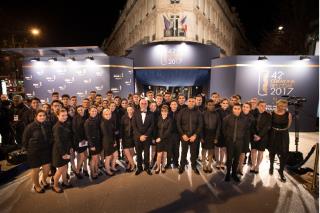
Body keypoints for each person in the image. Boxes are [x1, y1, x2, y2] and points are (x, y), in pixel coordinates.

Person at [22, 109, 52, 193]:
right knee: (36, 170)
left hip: (46, 150)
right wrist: (29, 150)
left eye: (44, 115)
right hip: (34, 151)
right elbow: (25, 140)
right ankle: (37, 185)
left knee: (47, 168)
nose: (42, 117)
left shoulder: (47, 124)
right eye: (40, 115)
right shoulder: (30, 126)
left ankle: (43, 180)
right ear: (36, 116)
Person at [177, 97, 203, 175]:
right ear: (187, 102)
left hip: (194, 136)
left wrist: (195, 135)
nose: (191, 102)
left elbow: (200, 125)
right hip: (184, 135)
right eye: (190, 101)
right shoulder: (182, 111)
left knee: (193, 153)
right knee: (183, 152)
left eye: (193, 101)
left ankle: (194, 166)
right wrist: (183, 134)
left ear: (195, 102)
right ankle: (182, 166)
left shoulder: (198, 112)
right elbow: (178, 124)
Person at [223, 103, 249, 182]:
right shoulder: (227, 118)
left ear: (241, 109)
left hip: (239, 142)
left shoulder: (244, 119)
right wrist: (228, 138)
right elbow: (223, 130)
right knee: (229, 158)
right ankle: (228, 173)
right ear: (232, 109)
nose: (237, 110)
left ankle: (234, 174)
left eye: (238, 109)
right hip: (230, 142)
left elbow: (245, 132)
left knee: (236, 159)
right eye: (235, 108)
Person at [268, 99, 292, 182]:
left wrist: (282, 130)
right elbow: (269, 124)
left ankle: (281, 170)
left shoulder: (288, 114)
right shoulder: (272, 113)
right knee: (272, 151)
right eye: (281, 106)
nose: (283, 107)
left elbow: (288, 125)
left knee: (284, 153)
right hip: (273, 134)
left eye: (285, 106)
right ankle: (271, 166)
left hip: (284, 135)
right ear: (277, 105)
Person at [52, 108, 73, 193]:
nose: (65, 117)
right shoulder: (57, 127)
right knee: (60, 169)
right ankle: (55, 185)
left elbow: (68, 138)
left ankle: (65, 182)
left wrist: (70, 148)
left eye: (66, 115)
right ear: (57, 116)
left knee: (65, 167)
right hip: (59, 151)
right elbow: (58, 142)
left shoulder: (65, 124)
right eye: (62, 115)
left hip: (66, 149)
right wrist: (63, 153)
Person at [132, 99, 154, 176]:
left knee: (147, 153)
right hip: (137, 137)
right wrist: (140, 136)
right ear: (139, 104)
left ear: (147, 104)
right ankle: (139, 167)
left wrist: (145, 135)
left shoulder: (151, 113)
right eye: (142, 103)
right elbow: (134, 126)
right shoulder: (135, 113)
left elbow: (151, 126)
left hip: (147, 137)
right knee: (138, 153)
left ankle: (147, 168)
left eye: (145, 103)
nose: (144, 104)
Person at [250, 100, 271, 174]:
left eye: (265, 106)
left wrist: (260, 136)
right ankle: (253, 165)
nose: (263, 107)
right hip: (254, 136)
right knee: (253, 151)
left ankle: (257, 166)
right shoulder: (253, 113)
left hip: (263, 137)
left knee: (260, 152)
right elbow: (251, 125)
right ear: (258, 106)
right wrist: (254, 134)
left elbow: (267, 127)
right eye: (262, 106)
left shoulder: (268, 115)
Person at [201, 100, 221, 173]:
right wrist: (201, 137)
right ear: (206, 105)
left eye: (212, 105)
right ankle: (204, 164)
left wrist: (216, 137)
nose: (211, 106)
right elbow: (201, 126)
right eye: (209, 105)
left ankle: (209, 165)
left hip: (213, 134)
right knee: (204, 150)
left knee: (211, 150)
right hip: (205, 133)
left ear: (214, 106)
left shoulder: (217, 114)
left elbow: (219, 127)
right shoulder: (203, 114)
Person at [84, 106, 102, 179]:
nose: (94, 112)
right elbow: (87, 135)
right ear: (89, 111)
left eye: (95, 111)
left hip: (98, 142)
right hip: (93, 143)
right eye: (92, 111)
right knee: (93, 159)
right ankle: (92, 173)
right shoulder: (87, 122)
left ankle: (96, 170)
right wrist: (91, 145)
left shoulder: (97, 119)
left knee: (97, 158)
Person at [238, 102, 255, 175]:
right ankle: (235, 167)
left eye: (247, 107)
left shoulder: (252, 117)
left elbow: (252, 129)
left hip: (246, 138)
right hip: (237, 137)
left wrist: (255, 135)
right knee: (236, 153)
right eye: (244, 106)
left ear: (250, 108)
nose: (245, 108)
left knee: (242, 153)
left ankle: (240, 168)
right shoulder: (238, 115)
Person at [101, 108, 118, 176]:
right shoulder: (103, 123)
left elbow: (113, 132)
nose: (108, 115)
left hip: (112, 140)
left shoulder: (110, 121)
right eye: (106, 114)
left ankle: (113, 167)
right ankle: (108, 170)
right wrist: (113, 142)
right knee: (108, 157)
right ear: (103, 115)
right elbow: (107, 135)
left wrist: (114, 141)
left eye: (109, 114)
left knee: (115, 155)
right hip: (107, 142)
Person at [155, 105, 172, 174]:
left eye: (165, 111)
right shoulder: (158, 118)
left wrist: (161, 138)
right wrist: (156, 137)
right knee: (159, 155)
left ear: (167, 112)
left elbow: (169, 131)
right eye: (162, 111)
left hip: (166, 139)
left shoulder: (170, 120)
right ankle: (158, 167)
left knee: (164, 154)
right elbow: (155, 129)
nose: (164, 112)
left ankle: (163, 167)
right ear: (161, 112)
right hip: (158, 138)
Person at [72, 105, 88, 179]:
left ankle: (84, 169)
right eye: (78, 110)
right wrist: (81, 140)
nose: (80, 111)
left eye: (81, 109)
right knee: (82, 156)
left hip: (84, 140)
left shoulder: (84, 117)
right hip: (79, 141)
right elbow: (75, 131)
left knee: (85, 155)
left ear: (84, 109)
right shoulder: (75, 118)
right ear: (76, 111)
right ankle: (77, 170)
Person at [215, 98, 230, 170]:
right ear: (221, 104)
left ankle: (221, 162)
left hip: (226, 133)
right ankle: (217, 162)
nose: (225, 104)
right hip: (217, 132)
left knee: (223, 148)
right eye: (223, 103)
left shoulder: (230, 111)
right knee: (217, 148)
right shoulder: (216, 111)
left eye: (226, 103)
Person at [120, 106, 136, 172]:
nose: (129, 111)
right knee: (127, 152)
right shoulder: (123, 117)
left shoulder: (135, 117)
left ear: (133, 110)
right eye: (128, 109)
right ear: (127, 110)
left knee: (131, 151)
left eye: (131, 109)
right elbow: (121, 128)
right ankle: (133, 165)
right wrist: (120, 137)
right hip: (125, 137)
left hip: (133, 137)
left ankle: (130, 164)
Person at [166, 100, 180, 168]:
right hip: (169, 135)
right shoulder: (167, 114)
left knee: (176, 149)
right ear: (170, 106)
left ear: (177, 105)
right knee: (169, 149)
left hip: (177, 134)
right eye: (172, 104)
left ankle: (176, 163)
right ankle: (168, 163)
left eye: (175, 104)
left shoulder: (180, 113)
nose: (174, 106)